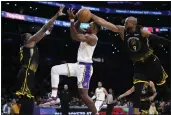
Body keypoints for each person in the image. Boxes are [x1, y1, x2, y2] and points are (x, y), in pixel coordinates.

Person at [91, 14, 170, 114]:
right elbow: (105, 24)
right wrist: (92, 15)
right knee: (137, 91)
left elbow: (157, 39)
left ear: (132, 24)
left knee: (164, 87)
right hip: (138, 66)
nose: (124, 22)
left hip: (151, 62)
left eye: (126, 21)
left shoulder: (142, 31)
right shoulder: (122, 30)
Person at [43, 8, 101, 115]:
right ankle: (54, 97)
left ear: (94, 28)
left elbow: (74, 36)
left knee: (83, 95)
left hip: (85, 68)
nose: (88, 26)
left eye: (90, 25)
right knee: (54, 70)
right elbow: (76, 30)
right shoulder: (87, 34)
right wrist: (77, 19)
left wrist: (71, 21)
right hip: (78, 65)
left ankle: (95, 113)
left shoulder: (93, 38)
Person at [14, 5, 65, 115]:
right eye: (29, 35)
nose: (31, 35)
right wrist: (56, 15)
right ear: (26, 39)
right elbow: (43, 28)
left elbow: (44, 32)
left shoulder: (30, 44)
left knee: (29, 99)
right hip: (26, 72)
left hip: (29, 73)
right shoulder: (28, 43)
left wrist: (47, 31)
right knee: (27, 100)